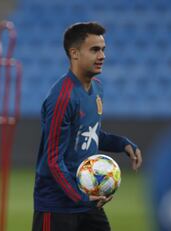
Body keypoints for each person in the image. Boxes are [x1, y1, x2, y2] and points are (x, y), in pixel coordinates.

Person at [32, 22, 143, 231]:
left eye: (103, 49)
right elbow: (53, 160)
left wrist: (123, 144)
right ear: (74, 53)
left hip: (87, 202)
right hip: (57, 207)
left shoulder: (97, 89)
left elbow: (88, 135)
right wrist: (81, 197)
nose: (102, 56)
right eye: (94, 50)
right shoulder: (62, 97)